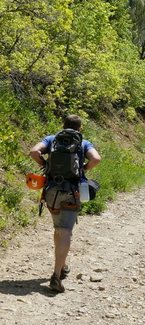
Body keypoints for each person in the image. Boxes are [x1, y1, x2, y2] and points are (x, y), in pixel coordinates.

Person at [30, 114, 101, 293]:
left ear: (63, 125)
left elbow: (33, 152)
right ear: (79, 128)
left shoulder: (52, 139)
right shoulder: (83, 142)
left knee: (58, 229)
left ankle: (62, 266)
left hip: (52, 189)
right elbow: (96, 159)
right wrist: (84, 169)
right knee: (66, 230)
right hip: (72, 191)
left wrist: (46, 164)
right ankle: (56, 275)